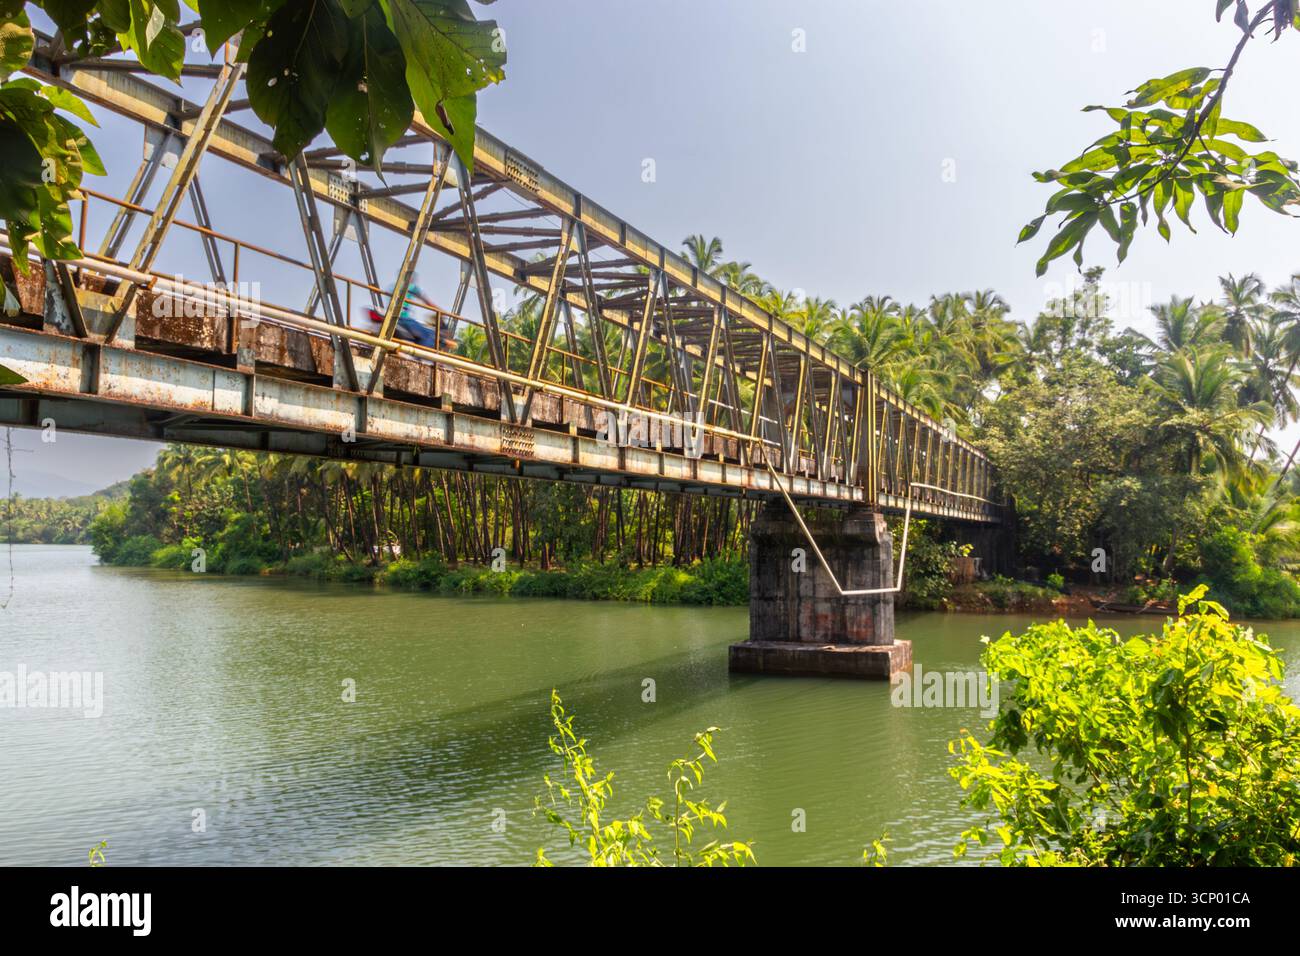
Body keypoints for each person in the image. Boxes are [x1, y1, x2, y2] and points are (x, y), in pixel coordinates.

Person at [361, 275, 450, 349]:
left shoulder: (394, 286)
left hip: (392, 317)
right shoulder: (412, 287)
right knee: (427, 335)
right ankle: (419, 358)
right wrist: (441, 311)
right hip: (404, 319)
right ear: (411, 279)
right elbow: (428, 302)